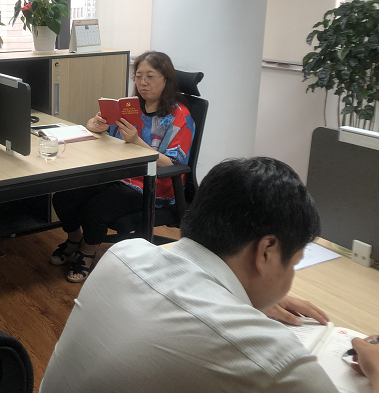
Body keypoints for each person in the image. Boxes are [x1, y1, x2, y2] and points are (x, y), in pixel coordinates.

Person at [40, 157, 379, 393]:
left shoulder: (123, 255)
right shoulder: (273, 358)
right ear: (266, 252)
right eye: (294, 263)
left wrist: (244, 300)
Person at [50, 50, 195, 282]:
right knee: (63, 198)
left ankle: (88, 253)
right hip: (118, 174)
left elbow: (172, 163)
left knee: (96, 209)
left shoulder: (180, 117)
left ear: (166, 79)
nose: (143, 82)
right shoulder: (130, 106)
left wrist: (137, 142)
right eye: (138, 76)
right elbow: (108, 134)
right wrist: (94, 125)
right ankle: (74, 240)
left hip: (151, 184)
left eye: (150, 76)